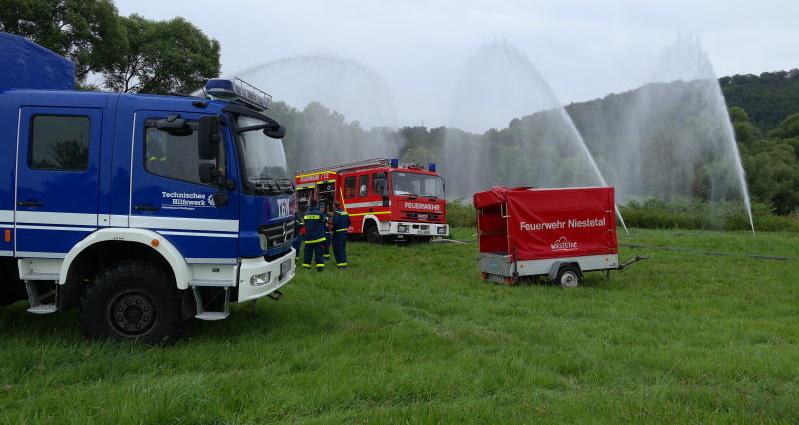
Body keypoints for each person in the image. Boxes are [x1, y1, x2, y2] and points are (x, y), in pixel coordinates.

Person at [302, 199, 326, 272]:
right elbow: (325, 221)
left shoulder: (306, 214)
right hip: (319, 238)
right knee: (319, 253)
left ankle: (306, 267)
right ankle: (319, 268)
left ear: (310, 205)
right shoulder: (321, 213)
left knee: (307, 253)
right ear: (316, 205)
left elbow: (305, 224)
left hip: (309, 238)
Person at [331, 201, 350, 269]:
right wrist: (345, 227)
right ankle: (344, 263)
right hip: (344, 233)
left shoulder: (336, 213)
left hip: (337, 234)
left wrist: (332, 230)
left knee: (337, 249)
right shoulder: (344, 212)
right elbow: (349, 221)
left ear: (334, 206)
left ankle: (341, 265)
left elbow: (335, 222)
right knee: (342, 248)